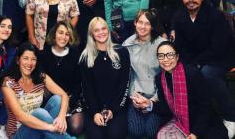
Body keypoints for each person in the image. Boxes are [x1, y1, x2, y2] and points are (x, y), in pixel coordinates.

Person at [173, 0, 235, 138]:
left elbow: (218, 48)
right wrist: (188, 65)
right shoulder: (179, 17)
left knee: (207, 73)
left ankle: (230, 116)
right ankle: (197, 118)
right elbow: (180, 46)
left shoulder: (215, 16)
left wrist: (196, 64)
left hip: (220, 57)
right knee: (181, 71)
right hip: (195, 59)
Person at [136, 41, 229, 139]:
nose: (166, 59)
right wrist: (149, 104)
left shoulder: (192, 74)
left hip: (202, 122)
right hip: (179, 121)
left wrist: (195, 133)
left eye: (170, 55)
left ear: (177, 57)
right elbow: (166, 108)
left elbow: (205, 107)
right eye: (161, 56)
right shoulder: (159, 78)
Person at [1, 42, 76, 139]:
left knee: (57, 99)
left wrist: (62, 117)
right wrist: (49, 127)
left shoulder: (41, 77)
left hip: (41, 128)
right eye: (25, 58)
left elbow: (63, 95)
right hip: (19, 133)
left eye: (33, 59)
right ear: (17, 60)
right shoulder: (8, 83)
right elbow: (20, 116)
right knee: (39, 113)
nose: (29, 63)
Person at [79, 17, 130, 139]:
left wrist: (113, 110)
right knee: (97, 136)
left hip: (117, 107)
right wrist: (95, 112)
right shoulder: (85, 57)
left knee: (115, 134)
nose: (101, 32)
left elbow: (125, 84)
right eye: (96, 30)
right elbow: (86, 88)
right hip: (94, 107)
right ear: (91, 33)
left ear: (108, 30)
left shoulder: (122, 52)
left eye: (103, 28)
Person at [122, 9, 166, 139]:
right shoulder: (127, 45)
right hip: (136, 95)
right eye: (140, 22)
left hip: (155, 97)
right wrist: (133, 97)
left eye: (147, 23)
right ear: (135, 23)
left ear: (152, 26)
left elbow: (166, 77)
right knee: (136, 131)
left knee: (151, 131)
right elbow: (127, 76)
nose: (143, 26)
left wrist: (152, 100)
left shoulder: (161, 45)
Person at [39, 21, 84, 136]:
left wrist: (68, 104)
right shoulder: (45, 51)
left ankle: (60, 123)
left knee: (76, 127)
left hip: (70, 98)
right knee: (50, 118)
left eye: (67, 34)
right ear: (54, 34)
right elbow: (41, 80)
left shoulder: (74, 53)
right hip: (50, 98)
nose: (63, 37)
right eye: (60, 33)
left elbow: (77, 84)